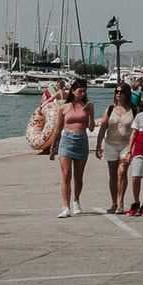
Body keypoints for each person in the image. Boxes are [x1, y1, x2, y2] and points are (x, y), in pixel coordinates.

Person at [48, 79, 94, 217]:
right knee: (66, 174)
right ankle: (66, 206)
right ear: (73, 91)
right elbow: (57, 129)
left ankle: (76, 201)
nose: (82, 93)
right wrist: (52, 146)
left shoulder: (87, 106)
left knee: (78, 176)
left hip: (81, 140)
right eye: (80, 91)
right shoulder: (64, 107)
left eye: (84, 91)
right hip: (67, 140)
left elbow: (91, 128)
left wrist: (90, 113)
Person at [94, 83, 136, 213]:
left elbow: (137, 129)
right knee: (112, 174)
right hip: (111, 144)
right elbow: (103, 128)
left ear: (127, 94)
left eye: (121, 92)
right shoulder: (110, 109)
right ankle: (113, 202)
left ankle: (121, 202)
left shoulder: (134, 109)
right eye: (116, 91)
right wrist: (98, 146)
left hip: (126, 145)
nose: (118, 94)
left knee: (122, 172)